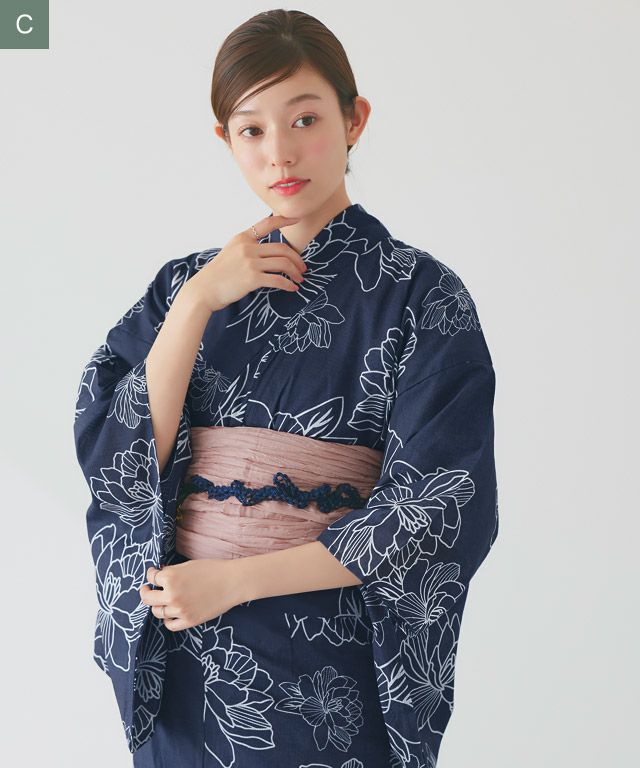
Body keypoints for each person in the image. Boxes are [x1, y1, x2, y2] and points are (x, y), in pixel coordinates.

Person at [73, 9, 499, 768]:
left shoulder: (421, 294)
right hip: (188, 657)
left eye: (305, 119)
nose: (280, 153)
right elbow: (117, 460)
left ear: (354, 119)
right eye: (252, 130)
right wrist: (197, 303)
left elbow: (437, 507)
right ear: (225, 140)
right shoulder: (185, 286)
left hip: (326, 656)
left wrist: (233, 582)